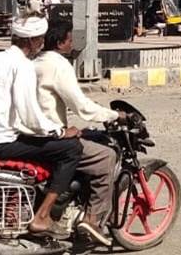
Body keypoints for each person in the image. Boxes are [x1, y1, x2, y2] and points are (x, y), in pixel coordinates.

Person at [0, 13, 83, 236]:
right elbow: (30, 114)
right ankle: (42, 217)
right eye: (40, 39)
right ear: (31, 41)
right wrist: (60, 131)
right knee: (71, 149)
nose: (41, 44)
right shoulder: (22, 65)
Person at [35, 21, 123, 245]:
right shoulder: (58, 65)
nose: (72, 43)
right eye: (70, 39)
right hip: (49, 137)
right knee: (106, 157)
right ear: (60, 42)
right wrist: (113, 115)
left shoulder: (33, 62)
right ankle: (92, 223)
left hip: (25, 134)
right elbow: (81, 106)